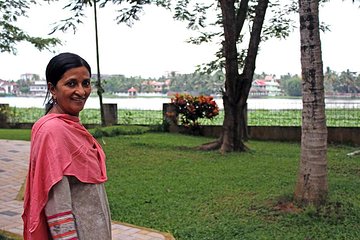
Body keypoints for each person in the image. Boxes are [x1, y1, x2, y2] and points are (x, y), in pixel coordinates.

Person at [22, 52, 112, 240]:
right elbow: (57, 202)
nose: (81, 91)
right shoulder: (53, 131)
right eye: (71, 84)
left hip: (94, 229)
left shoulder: (70, 125)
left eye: (86, 83)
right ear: (53, 89)